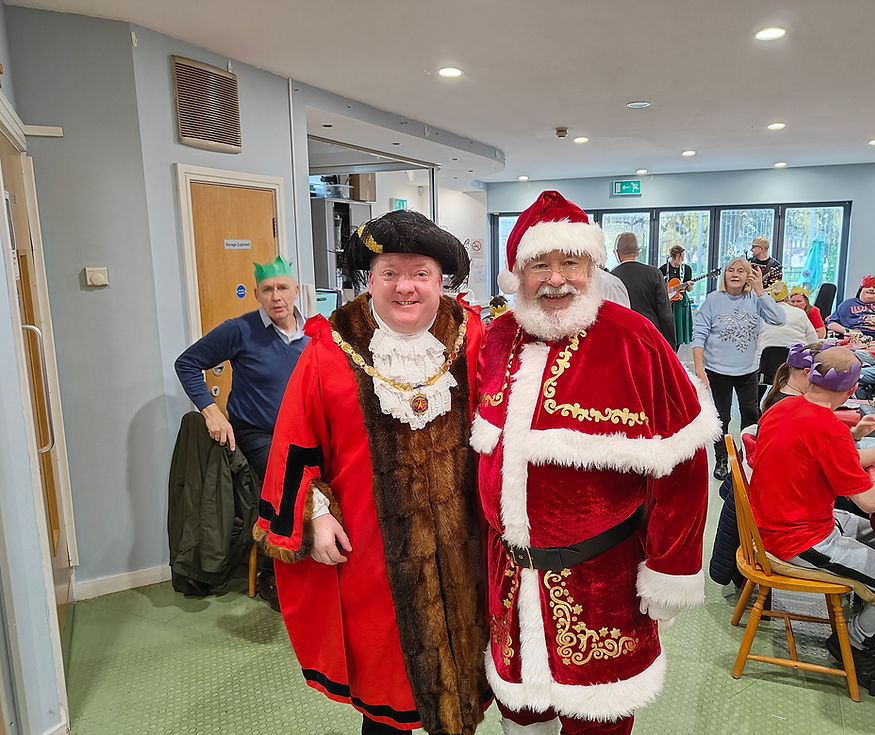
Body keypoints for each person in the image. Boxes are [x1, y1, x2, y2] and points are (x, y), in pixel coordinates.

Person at [478, 190, 719, 735]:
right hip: (509, 579)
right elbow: (481, 463)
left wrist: (671, 570)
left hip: (604, 581)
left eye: (572, 263)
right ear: (518, 274)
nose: (557, 279)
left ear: (594, 267)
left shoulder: (637, 340)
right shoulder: (496, 340)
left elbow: (683, 472)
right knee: (520, 711)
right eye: (541, 264)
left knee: (599, 720)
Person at [252, 211, 488, 735]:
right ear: (370, 279)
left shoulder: (473, 338)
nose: (406, 287)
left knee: (467, 671)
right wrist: (314, 514)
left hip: (464, 546)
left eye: (421, 273)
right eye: (389, 273)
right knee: (386, 693)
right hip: (370, 550)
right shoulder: (329, 345)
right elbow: (295, 439)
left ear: (440, 279)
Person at [750, 346, 875, 689]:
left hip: (779, 523)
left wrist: (866, 441)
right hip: (799, 540)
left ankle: (873, 610)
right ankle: (854, 640)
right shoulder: (829, 429)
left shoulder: (783, 407)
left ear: (810, 376)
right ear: (852, 390)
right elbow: (867, 500)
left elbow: (826, 455)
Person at [174, 255, 308, 609]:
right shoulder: (240, 329)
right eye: (267, 290)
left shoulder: (315, 333)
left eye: (282, 288)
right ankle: (271, 573)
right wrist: (211, 411)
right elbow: (186, 363)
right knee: (287, 482)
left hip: (304, 433)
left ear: (296, 290)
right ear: (257, 294)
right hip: (258, 434)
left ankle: (315, 567)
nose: (276, 296)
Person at [692, 256, 785, 480]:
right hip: (717, 370)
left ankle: (746, 459)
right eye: (731, 270)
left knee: (751, 415)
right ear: (724, 275)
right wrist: (700, 369)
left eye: (741, 271)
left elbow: (779, 319)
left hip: (748, 371)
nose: (735, 274)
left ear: (748, 276)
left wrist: (761, 291)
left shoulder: (756, 299)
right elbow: (699, 336)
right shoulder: (713, 300)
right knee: (722, 418)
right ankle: (722, 459)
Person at [610, 232, 676, 348]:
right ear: (638, 251)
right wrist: (671, 346)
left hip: (622, 340)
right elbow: (665, 313)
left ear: (617, 253)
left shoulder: (611, 277)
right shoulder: (654, 273)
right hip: (650, 337)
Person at [826, 275, 875, 339]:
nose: (871, 289)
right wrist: (848, 332)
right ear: (860, 290)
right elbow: (831, 324)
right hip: (856, 339)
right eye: (867, 286)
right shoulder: (847, 304)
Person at [757, 281, 818, 353]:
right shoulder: (800, 313)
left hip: (765, 359)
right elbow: (813, 340)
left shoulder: (761, 314)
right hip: (796, 358)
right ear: (788, 298)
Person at [659, 245, 694, 348]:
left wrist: (689, 286)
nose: (683, 259)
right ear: (675, 256)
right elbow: (659, 286)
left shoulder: (686, 269)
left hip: (681, 302)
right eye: (681, 256)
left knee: (679, 332)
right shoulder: (664, 269)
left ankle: (675, 355)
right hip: (668, 302)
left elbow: (689, 290)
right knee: (668, 331)